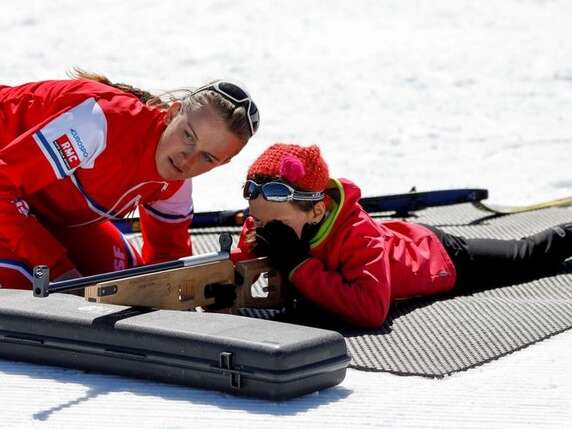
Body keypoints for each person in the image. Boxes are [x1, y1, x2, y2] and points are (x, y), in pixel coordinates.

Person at [233, 143, 572, 328]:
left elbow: (371, 310)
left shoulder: (356, 234)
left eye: (274, 224)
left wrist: (298, 265)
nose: (262, 229)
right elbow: (237, 275)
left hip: (440, 258)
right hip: (401, 238)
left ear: (317, 211)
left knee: (529, 256)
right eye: (256, 220)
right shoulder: (265, 220)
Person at [0, 70, 260, 288]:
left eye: (208, 157)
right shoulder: (97, 123)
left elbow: (166, 263)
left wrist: (177, 298)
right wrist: (58, 269)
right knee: (43, 289)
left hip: (41, 210)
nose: (187, 160)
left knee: (122, 282)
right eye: (188, 136)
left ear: (223, 162)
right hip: (7, 194)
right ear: (172, 113)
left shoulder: (176, 184)